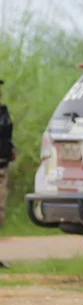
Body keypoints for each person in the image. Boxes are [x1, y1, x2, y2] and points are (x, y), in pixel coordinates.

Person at [0, 78, 12, 230]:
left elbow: (7, 133)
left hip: (3, 160)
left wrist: (11, 147)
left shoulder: (3, 111)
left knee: (1, 198)